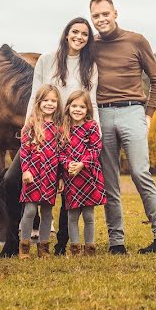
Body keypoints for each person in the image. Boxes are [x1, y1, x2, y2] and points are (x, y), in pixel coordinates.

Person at [89, 0, 156, 254]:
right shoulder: (91, 46)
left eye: (105, 14)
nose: (101, 19)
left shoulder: (136, 41)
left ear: (115, 13)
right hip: (101, 115)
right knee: (109, 181)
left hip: (133, 111)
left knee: (139, 172)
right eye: (96, 16)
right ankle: (116, 242)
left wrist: (149, 114)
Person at [25, 17, 99, 254]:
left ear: (88, 40)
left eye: (84, 34)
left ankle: (62, 243)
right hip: (44, 128)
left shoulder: (90, 66)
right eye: (75, 32)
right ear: (66, 34)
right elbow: (35, 94)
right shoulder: (47, 61)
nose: (79, 37)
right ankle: (18, 238)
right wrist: (30, 124)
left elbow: (93, 101)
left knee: (70, 186)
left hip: (73, 130)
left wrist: (95, 131)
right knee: (13, 179)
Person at [59, 90, 107, 256]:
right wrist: (68, 165)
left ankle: (90, 248)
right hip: (71, 178)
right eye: (74, 105)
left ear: (88, 109)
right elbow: (61, 154)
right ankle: (75, 248)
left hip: (88, 177)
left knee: (88, 215)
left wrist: (82, 164)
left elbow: (96, 149)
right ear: (68, 107)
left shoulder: (91, 126)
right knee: (72, 216)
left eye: (82, 106)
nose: (77, 109)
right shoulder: (64, 128)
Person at [18, 84, 62, 259]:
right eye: (46, 100)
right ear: (38, 102)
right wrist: (26, 170)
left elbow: (61, 155)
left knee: (47, 213)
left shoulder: (59, 128)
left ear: (58, 103)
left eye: (53, 100)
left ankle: (43, 249)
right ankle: (24, 247)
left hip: (51, 176)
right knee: (29, 211)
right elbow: (24, 151)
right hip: (33, 175)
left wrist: (60, 178)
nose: (49, 104)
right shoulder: (31, 125)